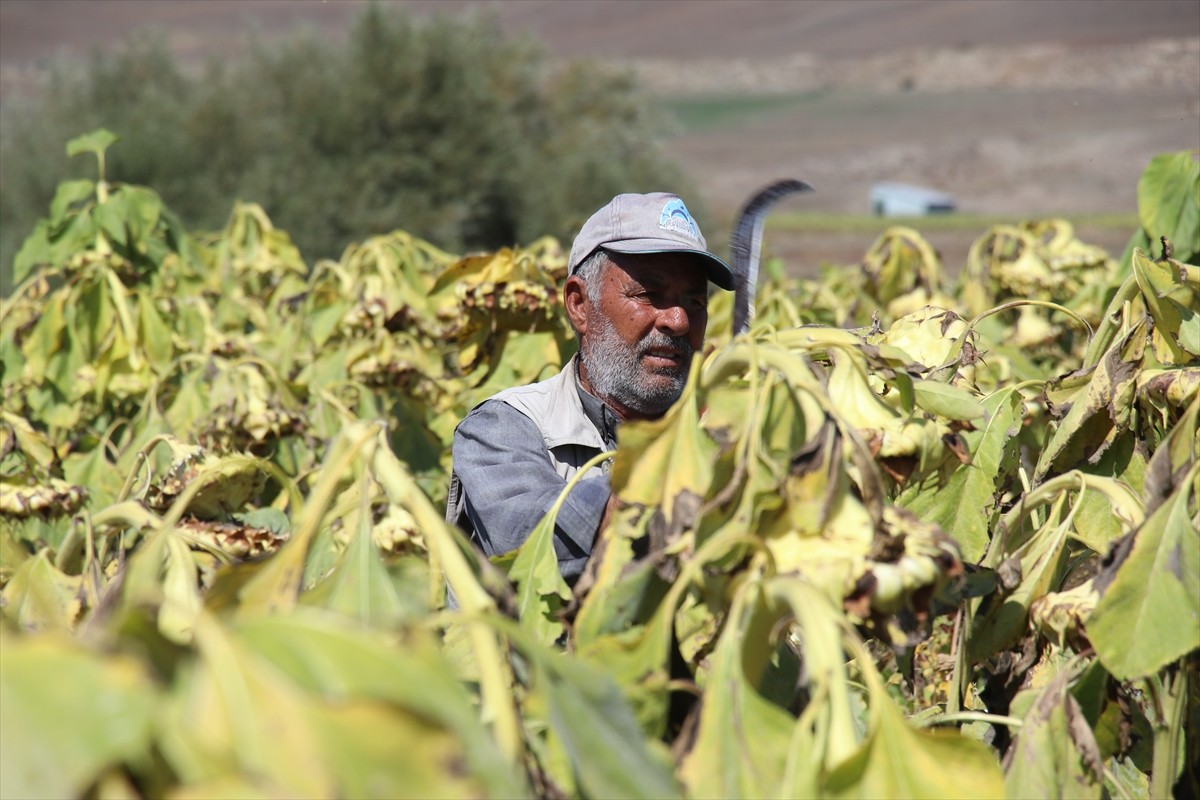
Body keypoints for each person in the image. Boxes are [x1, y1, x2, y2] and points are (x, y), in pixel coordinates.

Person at [444, 192, 734, 583]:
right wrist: (702, 470)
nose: (679, 321)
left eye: (695, 301)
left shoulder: (722, 427)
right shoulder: (502, 427)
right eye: (649, 295)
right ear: (579, 305)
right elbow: (530, 539)